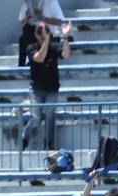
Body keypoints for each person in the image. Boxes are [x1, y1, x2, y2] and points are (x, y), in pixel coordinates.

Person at [22, 18, 70, 152]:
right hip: (37, 89)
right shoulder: (31, 48)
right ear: (36, 35)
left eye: (45, 32)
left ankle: (49, 143)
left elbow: (66, 55)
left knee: (50, 114)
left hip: (52, 88)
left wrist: (65, 37)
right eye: (40, 33)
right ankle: (24, 139)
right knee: (36, 118)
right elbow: (40, 58)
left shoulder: (54, 47)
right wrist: (46, 40)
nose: (43, 35)